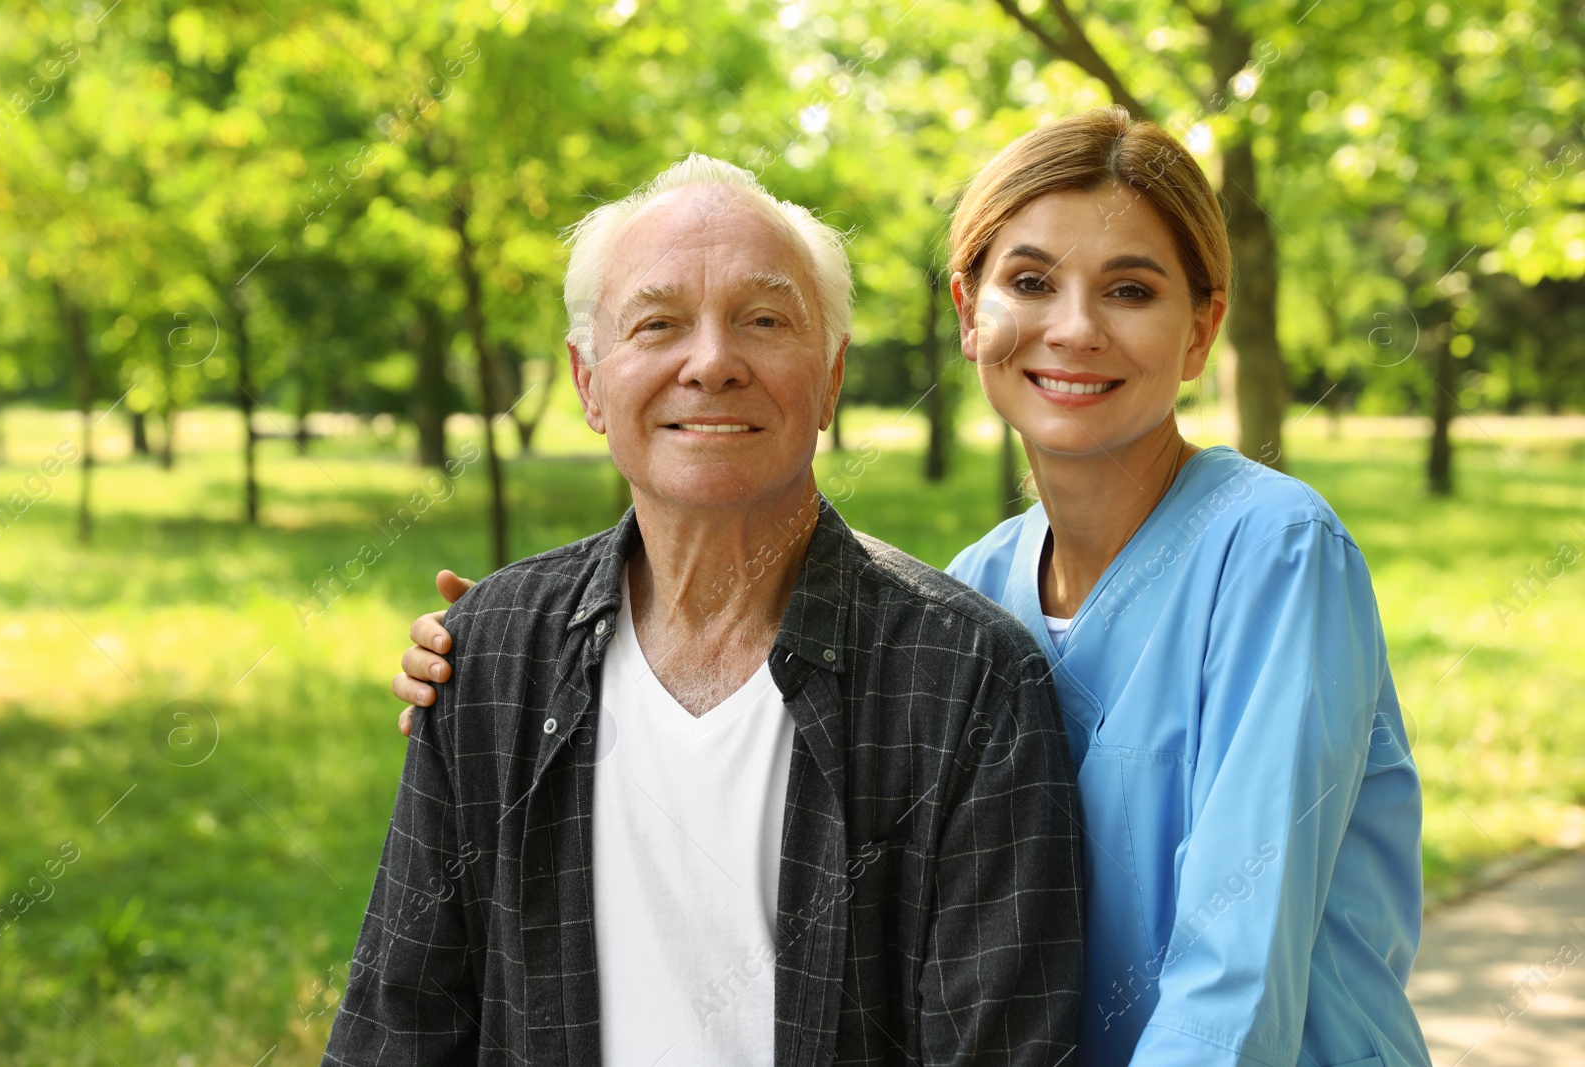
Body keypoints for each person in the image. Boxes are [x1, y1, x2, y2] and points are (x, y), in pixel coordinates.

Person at [396, 109, 1431, 1066]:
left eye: (1130, 289)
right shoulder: (981, 587)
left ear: (1201, 329)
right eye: (1030, 282)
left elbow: (1236, 974)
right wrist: (539, 644)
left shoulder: (1275, 553)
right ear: (969, 311)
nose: (1073, 328)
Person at [327, 155, 1083, 1065]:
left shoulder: (969, 682)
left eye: (764, 320)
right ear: (589, 381)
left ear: (832, 378)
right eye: (658, 323)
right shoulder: (487, 656)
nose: (714, 362)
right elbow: (398, 1025)